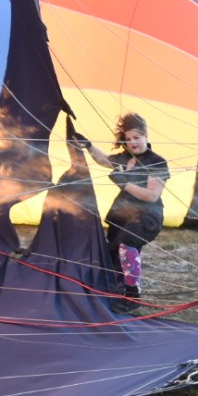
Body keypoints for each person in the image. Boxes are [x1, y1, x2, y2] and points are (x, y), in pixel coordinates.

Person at [80, 113, 169, 307]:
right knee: (114, 254)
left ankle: (132, 296)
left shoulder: (156, 162)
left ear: (146, 135)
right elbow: (104, 160)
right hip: (122, 215)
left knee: (126, 243)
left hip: (146, 216)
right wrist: (87, 145)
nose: (132, 143)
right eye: (128, 139)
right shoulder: (125, 158)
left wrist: (125, 183)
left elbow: (152, 195)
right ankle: (118, 294)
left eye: (136, 138)